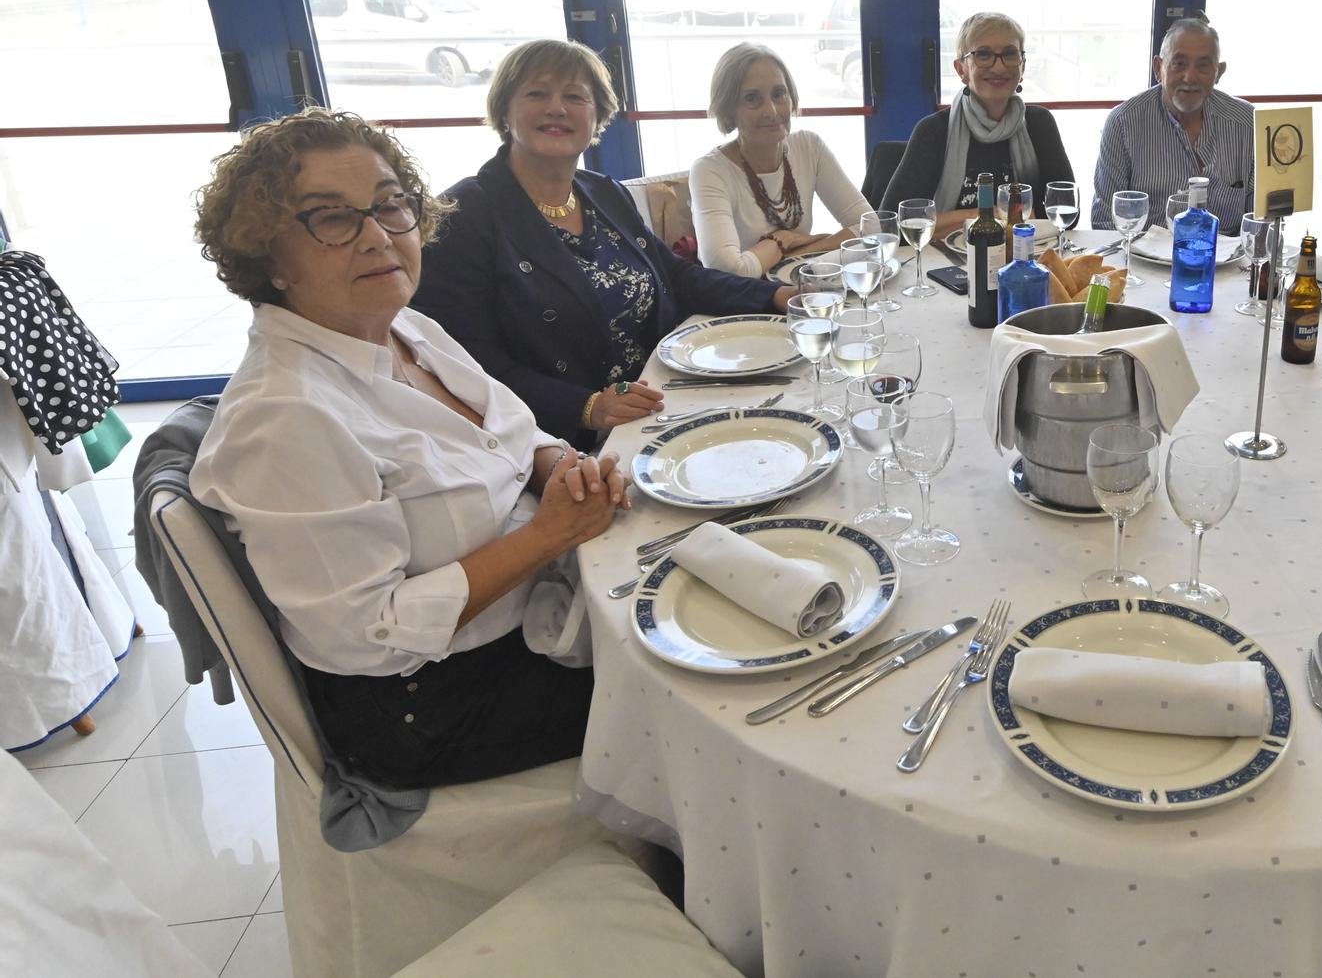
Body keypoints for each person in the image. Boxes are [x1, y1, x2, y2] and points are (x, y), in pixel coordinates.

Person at [189, 109, 626, 788]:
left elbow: (510, 430)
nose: (377, 236)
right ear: (267, 254)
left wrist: (558, 466)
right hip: (435, 706)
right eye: (331, 217)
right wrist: (547, 535)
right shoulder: (283, 418)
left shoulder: (404, 327)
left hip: (538, 611)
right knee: (708, 693)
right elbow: (368, 634)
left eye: (391, 205)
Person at [412, 39, 793, 448]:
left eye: (575, 96)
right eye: (537, 93)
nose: (557, 108)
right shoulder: (465, 215)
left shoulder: (602, 192)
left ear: (598, 118)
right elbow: (461, 359)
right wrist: (586, 406)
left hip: (666, 398)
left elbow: (677, 276)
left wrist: (777, 295)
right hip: (562, 443)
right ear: (505, 109)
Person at [880, 11, 1076, 227]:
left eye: (1009, 54)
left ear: (1023, 66)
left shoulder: (1040, 124)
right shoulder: (934, 131)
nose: (999, 66)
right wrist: (990, 216)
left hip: (1024, 253)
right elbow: (893, 222)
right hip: (946, 259)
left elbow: (1066, 213)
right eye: (983, 55)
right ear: (961, 69)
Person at [690, 43, 868, 275]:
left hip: (802, 292)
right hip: (746, 303)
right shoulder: (709, 171)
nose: (772, 111)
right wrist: (780, 240)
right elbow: (728, 271)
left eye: (779, 94)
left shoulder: (809, 147)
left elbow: (870, 227)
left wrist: (795, 250)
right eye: (752, 98)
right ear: (728, 108)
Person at [1091, 16, 1253, 232]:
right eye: (1179, 64)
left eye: (1203, 66)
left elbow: (1262, 222)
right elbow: (1105, 222)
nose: (1190, 77)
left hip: (1223, 263)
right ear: (1158, 68)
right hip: (1143, 261)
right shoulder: (1123, 123)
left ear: (1219, 72)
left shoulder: (1248, 124)